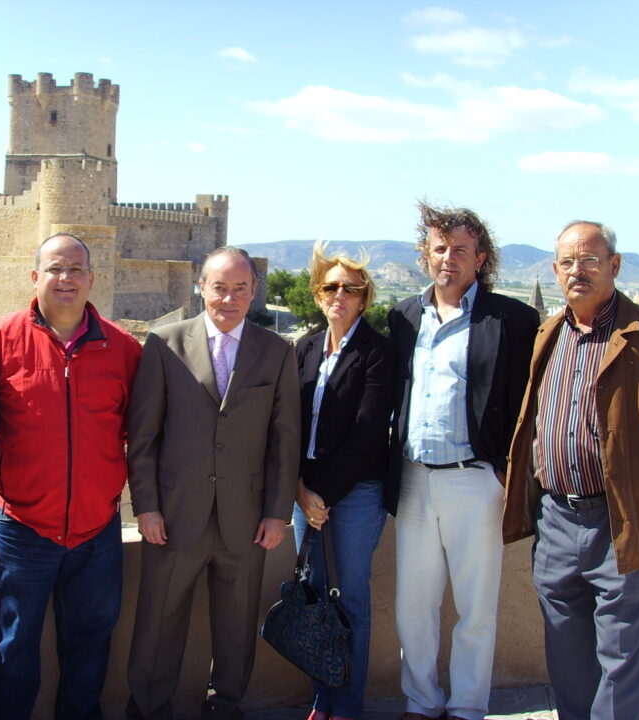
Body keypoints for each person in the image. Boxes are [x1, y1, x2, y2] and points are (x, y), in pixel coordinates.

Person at [502, 221, 639, 720]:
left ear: (614, 266)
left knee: (623, 663)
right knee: (567, 654)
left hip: (624, 522)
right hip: (554, 521)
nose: (579, 271)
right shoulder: (548, 335)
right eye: (568, 262)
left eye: (590, 260)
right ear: (555, 271)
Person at [126, 246, 300, 720]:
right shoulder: (164, 344)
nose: (229, 298)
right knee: (158, 624)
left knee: (236, 628)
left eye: (240, 288)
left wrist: (276, 511)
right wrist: (146, 507)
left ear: (253, 291)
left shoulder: (277, 351)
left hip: (245, 521)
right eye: (219, 287)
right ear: (201, 287)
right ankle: (147, 710)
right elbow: (142, 436)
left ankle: (224, 708)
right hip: (175, 516)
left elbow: (285, 439)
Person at [0, 233, 141, 720]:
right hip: (21, 530)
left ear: (92, 278)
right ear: (35, 277)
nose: (65, 279)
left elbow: (139, 434)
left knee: (90, 648)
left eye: (75, 270)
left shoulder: (124, 350)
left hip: (97, 533)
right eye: (54, 269)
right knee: (10, 649)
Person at [387, 203, 539, 720]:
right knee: (413, 605)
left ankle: (468, 706)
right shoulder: (404, 315)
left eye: (460, 249)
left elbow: (527, 401)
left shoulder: (512, 319)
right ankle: (421, 701)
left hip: (474, 480)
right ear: (425, 255)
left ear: (482, 258)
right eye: (439, 248)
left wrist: (502, 469)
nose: (448, 258)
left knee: (475, 606)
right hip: (412, 480)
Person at [294, 241, 394, 720]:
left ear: (364, 298)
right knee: (313, 596)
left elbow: (369, 432)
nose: (340, 295)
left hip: (354, 495)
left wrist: (321, 495)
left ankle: (347, 706)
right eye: (331, 286)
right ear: (317, 294)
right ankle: (322, 698)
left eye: (351, 289)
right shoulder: (306, 347)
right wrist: (300, 490)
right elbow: (288, 425)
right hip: (305, 493)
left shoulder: (378, 353)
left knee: (348, 596)